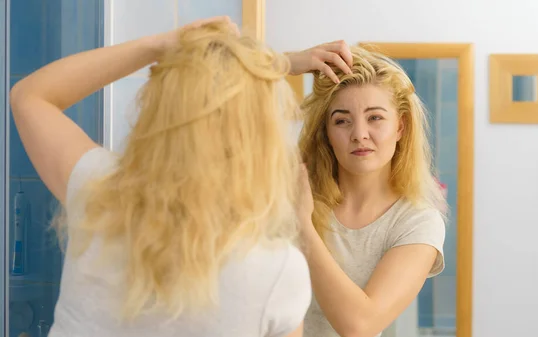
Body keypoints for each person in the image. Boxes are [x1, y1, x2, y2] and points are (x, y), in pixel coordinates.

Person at [9, 16, 347, 337]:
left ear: (158, 107)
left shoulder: (99, 191)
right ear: (260, 134)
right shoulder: (276, 273)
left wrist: (157, 45)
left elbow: (30, 96)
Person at [296, 43, 447, 337]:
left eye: (375, 117)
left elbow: (360, 326)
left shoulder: (418, 222)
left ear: (400, 127)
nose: (359, 134)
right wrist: (285, 62)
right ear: (326, 132)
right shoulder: (296, 193)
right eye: (342, 121)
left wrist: (302, 226)